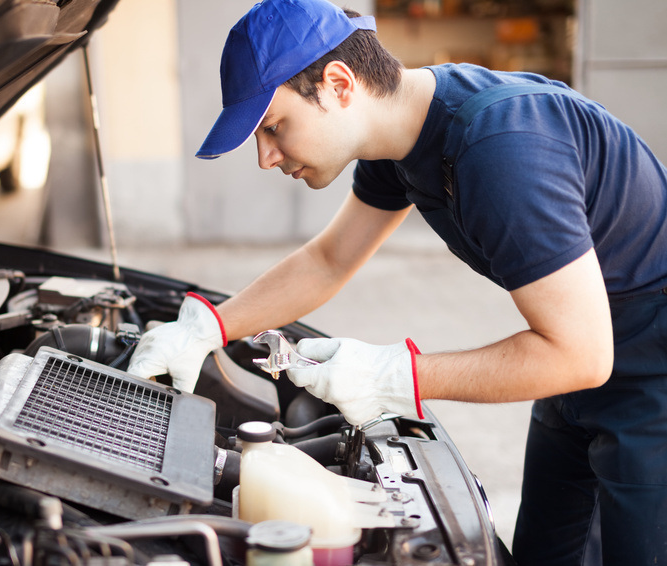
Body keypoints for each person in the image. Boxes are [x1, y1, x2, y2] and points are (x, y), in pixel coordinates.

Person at [127, 0, 667, 563]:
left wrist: (395, 376)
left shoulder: (499, 150)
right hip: (582, 352)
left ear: (339, 85)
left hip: (651, 370)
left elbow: (581, 353)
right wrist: (205, 327)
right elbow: (329, 259)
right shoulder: (402, 141)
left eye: (274, 127)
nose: (265, 156)